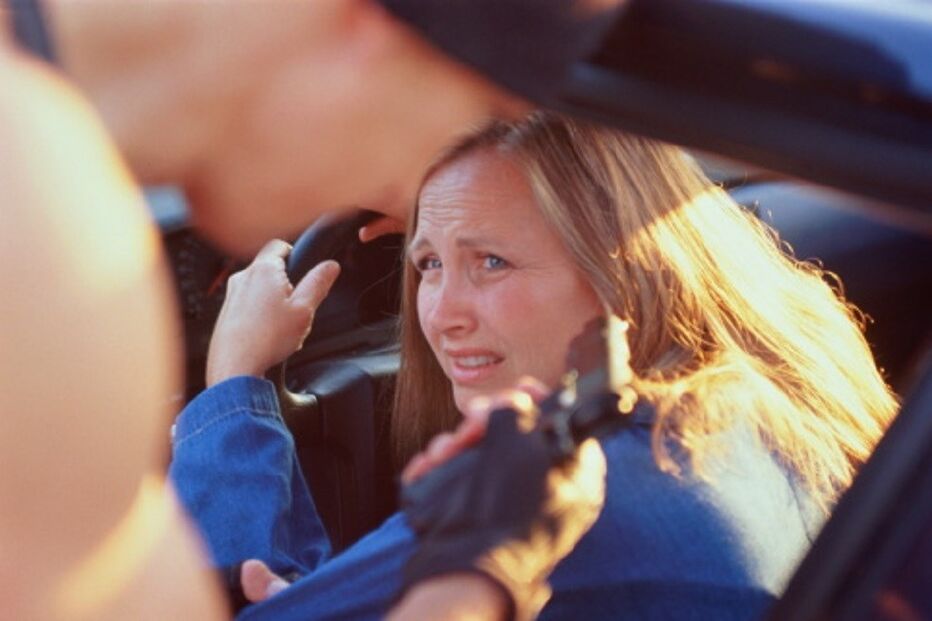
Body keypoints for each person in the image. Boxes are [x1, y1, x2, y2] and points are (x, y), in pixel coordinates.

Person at [1, 1, 625, 618]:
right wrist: (475, 571)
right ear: (368, 31)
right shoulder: (38, 234)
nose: (386, 194)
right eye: (430, 138)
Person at [170, 111, 898, 619]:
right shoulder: (769, 396)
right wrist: (464, 210)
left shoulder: (564, 500)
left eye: (492, 261)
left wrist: (236, 381)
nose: (440, 313)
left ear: (622, 271)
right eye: (426, 264)